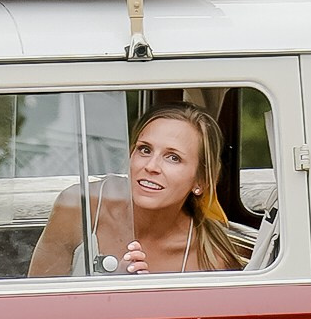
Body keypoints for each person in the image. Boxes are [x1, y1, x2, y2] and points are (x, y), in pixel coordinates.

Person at [28, 100, 246, 278]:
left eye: (173, 158)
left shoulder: (212, 259)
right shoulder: (79, 206)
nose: (150, 166)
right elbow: (35, 308)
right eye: (144, 150)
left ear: (201, 181)